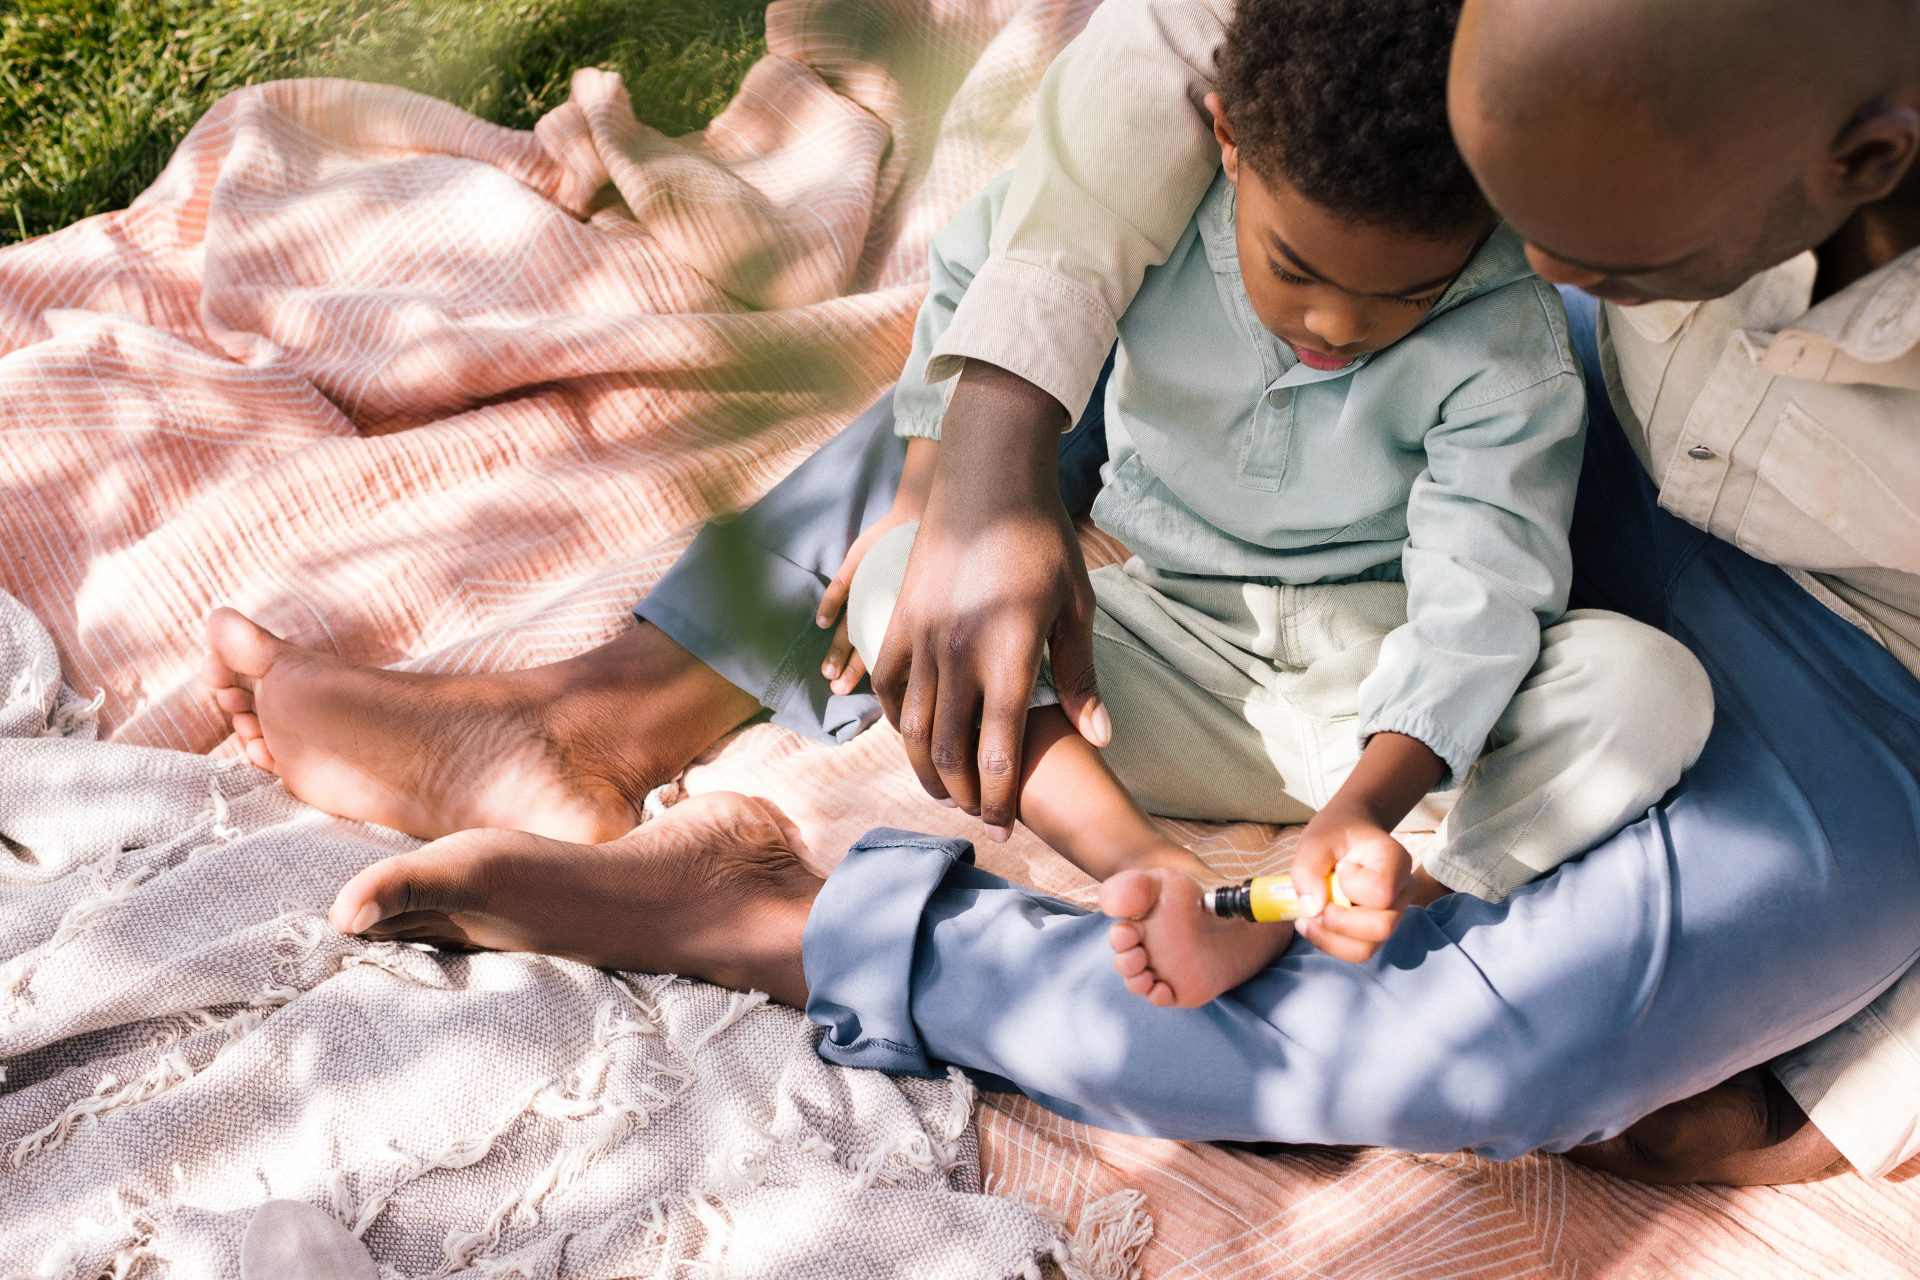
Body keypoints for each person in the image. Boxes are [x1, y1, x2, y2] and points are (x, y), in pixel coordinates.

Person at [201, 0, 1920, 1175]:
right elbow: (1203, 54)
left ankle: (771, 926)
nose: (1532, 255)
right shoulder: (1521, 250)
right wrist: (1000, 443)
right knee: (1192, 282)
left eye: (1602, 250)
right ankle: (598, 712)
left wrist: (1866, 1081)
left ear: (1873, 157)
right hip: (1512, 407)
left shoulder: (1512, 294)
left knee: (1495, 1060)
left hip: (1852, 686)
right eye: (1523, 214)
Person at [835, 2, 1708, 1008]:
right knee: (908, 577)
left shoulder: (1509, 332)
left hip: (1381, 692)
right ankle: (1158, 874)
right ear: (1228, 140)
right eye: (1294, 267)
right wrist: (922, 499)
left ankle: (1373, 894)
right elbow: (980, 263)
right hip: (1157, 660)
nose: (1336, 323)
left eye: (1409, 295)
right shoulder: (1149, 208)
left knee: (1652, 687)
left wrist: (1366, 805)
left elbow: (1484, 591)